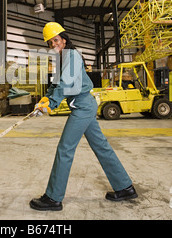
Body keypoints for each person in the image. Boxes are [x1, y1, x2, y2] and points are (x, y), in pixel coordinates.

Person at [29, 22, 137, 211]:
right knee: (101, 146)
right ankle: (125, 187)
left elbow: (65, 82)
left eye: (55, 40)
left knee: (65, 149)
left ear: (63, 38)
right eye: (50, 42)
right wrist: (46, 97)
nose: (53, 44)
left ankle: (53, 198)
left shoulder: (71, 55)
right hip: (83, 105)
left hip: (82, 107)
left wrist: (52, 103)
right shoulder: (62, 58)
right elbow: (56, 83)